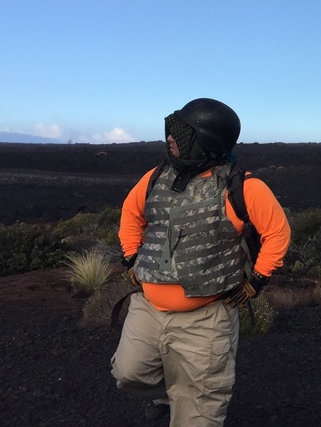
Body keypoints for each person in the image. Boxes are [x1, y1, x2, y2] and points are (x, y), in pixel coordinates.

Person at [111, 98, 291, 426]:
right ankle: (168, 395)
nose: (170, 138)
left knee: (199, 409)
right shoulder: (156, 177)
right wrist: (131, 258)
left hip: (206, 317)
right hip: (148, 308)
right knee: (128, 374)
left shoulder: (244, 187)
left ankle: (187, 400)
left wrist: (258, 280)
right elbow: (131, 212)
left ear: (206, 143)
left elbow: (277, 234)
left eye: (183, 133)